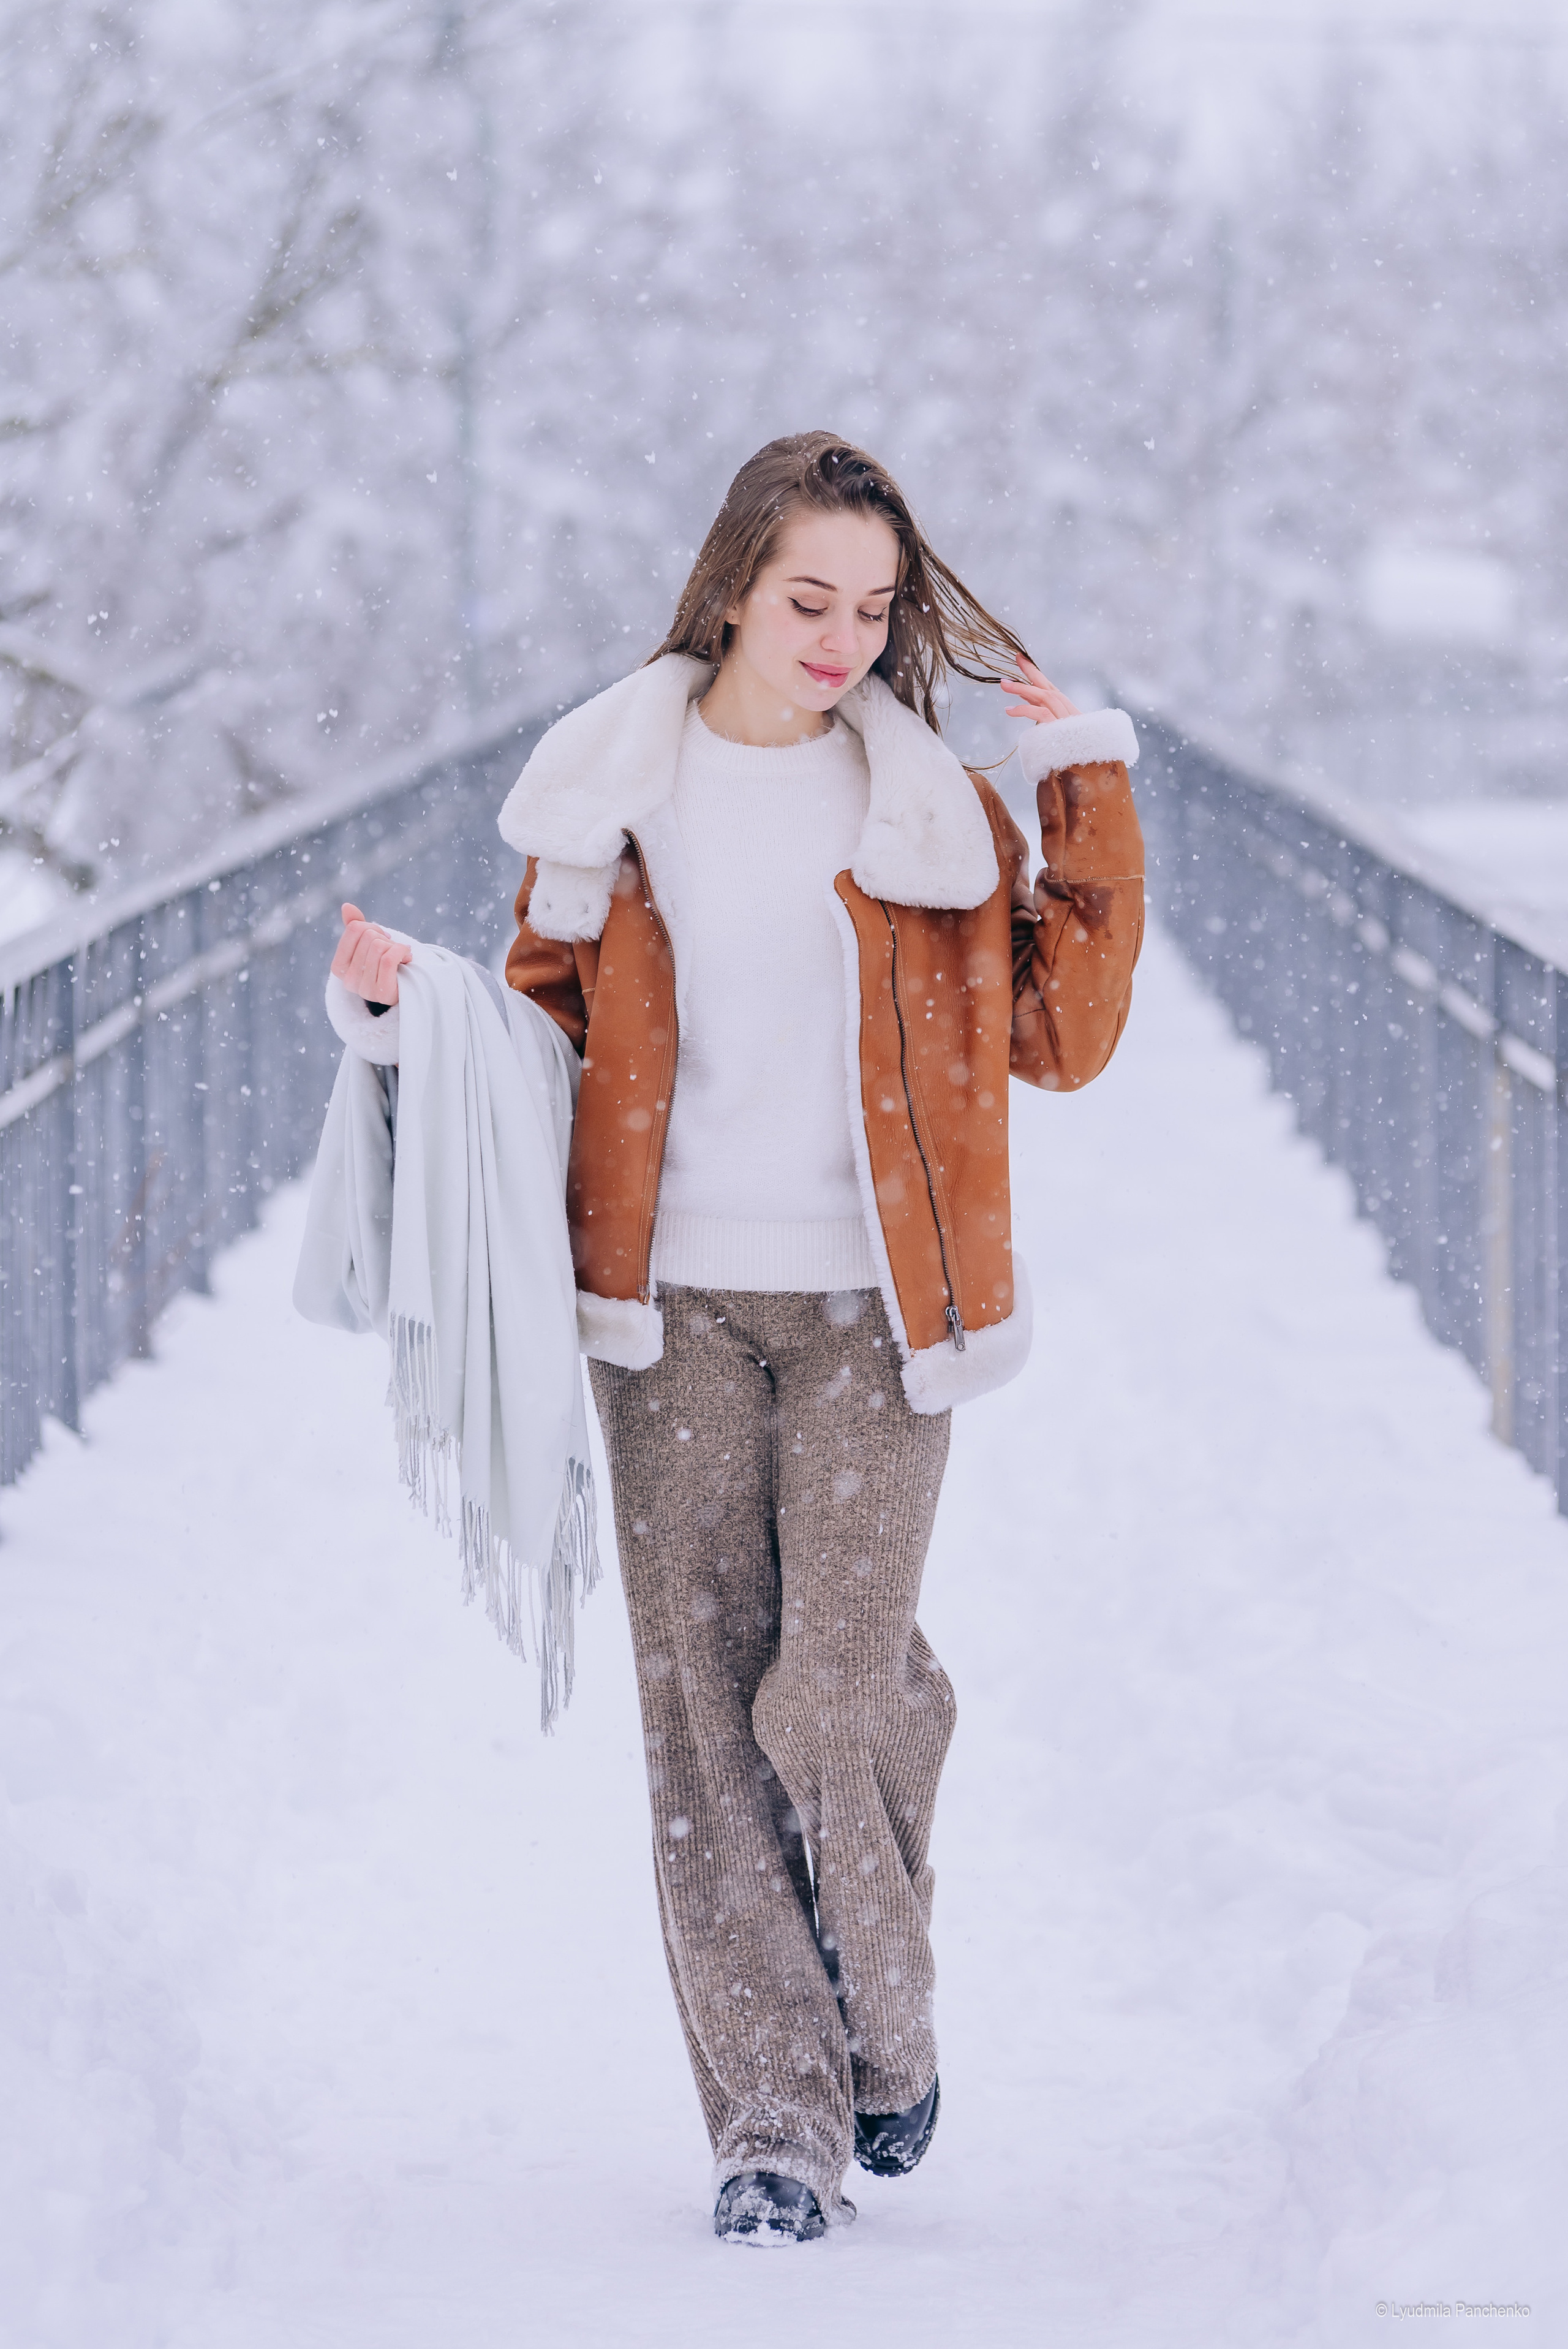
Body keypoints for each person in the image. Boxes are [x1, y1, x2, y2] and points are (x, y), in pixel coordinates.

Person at [328, 431, 1144, 2244]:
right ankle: (774, 2121)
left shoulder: (932, 807)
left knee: (835, 1685)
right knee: (705, 1715)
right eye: (809, 600)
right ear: (731, 590)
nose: (844, 637)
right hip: (668, 1304)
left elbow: (1063, 1036)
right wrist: (409, 1018)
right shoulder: (614, 790)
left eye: (873, 605)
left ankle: (890, 2019)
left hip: (876, 1307)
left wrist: (1080, 789)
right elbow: (540, 1039)